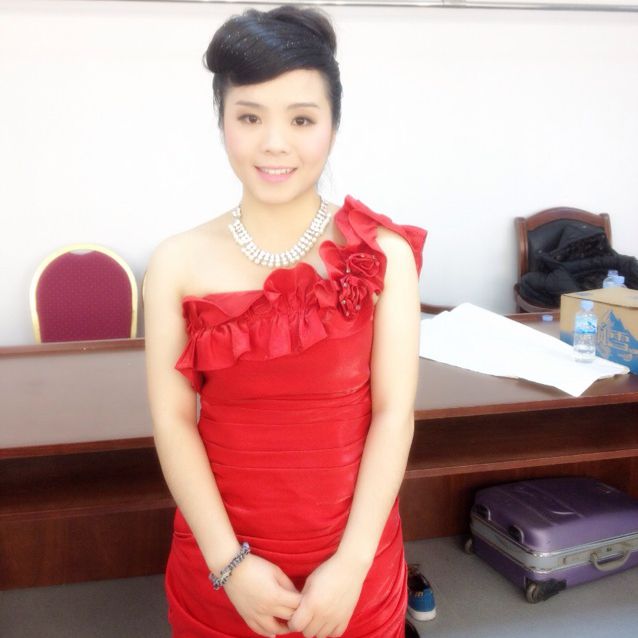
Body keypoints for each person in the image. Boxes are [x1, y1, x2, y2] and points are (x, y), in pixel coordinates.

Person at [144, 5, 426, 637]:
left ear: (333, 125)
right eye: (249, 117)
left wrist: (352, 566)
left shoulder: (382, 255)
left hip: (354, 560)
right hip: (222, 560)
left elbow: (393, 413)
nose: (275, 143)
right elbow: (172, 420)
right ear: (221, 121)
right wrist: (229, 564)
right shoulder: (176, 262)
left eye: (301, 119)